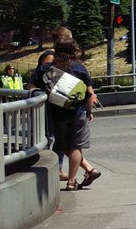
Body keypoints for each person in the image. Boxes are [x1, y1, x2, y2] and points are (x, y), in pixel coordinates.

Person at [37, 40, 99, 191]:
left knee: (64, 146)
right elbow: (89, 94)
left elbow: (31, 86)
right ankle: (72, 181)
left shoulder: (47, 68)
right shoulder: (80, 68)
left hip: (57, 113)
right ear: (73, 52)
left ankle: (89, 170)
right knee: (76, 146)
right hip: (77, 111)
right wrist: (89, 111)